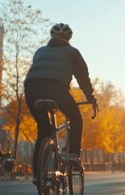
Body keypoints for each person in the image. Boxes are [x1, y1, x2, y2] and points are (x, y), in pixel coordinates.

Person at [24, 23, 97, 182]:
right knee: (76, 118)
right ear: (69, 39)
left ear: (52, 37)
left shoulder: (40, 51)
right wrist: (91, 99)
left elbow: (37, 69)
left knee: (43, 129)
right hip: (56, 88)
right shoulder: (73, 52)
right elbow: (83, 78)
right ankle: (73, 155)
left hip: (31, 88)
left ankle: (38, 174)